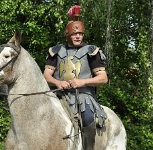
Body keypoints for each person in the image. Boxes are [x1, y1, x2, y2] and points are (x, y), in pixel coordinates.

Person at [43, 4, 108, 150]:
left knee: (88, 118)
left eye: (80, 34)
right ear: (68, 34)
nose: (78, 36)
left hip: (85, 97)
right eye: (74, 34)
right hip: (58, 95)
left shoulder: (92, 51)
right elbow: (46, 75)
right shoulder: (57, 51)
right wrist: (57, 82)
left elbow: (103, 78)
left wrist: (82, 82)